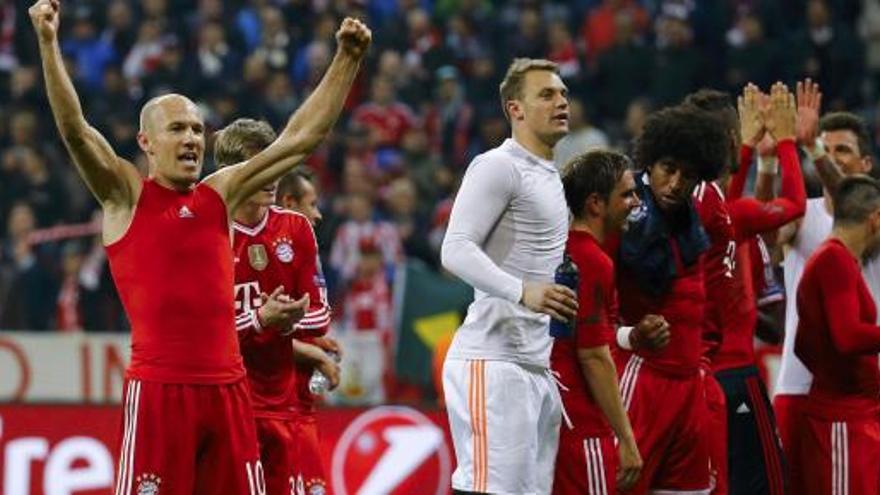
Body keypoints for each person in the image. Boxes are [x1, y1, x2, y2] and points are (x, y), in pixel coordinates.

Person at [29, 0, 370, 490]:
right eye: (177, 129)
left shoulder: (220, 193)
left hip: (230, 392)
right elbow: (75, 130)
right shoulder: (125, 195)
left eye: (196, 129)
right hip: (160, 392)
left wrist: (346, 61)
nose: (192, 138)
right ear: (146, 142)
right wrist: (47, 42)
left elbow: (299, 140)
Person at [440, 58, 578, 495]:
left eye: (563, 94)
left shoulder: (551, 177)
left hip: (535, 365)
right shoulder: (499, 165)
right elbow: (455, 248)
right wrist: (524, 292)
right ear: (514, 110)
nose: (561, 102)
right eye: (547, 94)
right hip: (492, 362)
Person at [687, 82, 806, 495]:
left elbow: (724, 214)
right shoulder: (726, 212)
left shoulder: (692, 203)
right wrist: (788, 142)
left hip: (697, 375)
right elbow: (795, 204)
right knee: (766, 485)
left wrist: (747, 151)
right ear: (727, 140)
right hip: (736, 372)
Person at [214, 119, 339, 495]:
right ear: (234, 174)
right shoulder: (211, 232)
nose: (271, 177)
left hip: (282, 403)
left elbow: (319, 314)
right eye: (259, 166)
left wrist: (283, 324)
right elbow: (205, 332)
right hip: (226, 402)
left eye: (274, 165)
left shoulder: (297, 229)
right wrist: (259, 318)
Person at [613, 104, 729, 495]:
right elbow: (592, 305)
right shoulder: (624, 216)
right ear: (649, 163)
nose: (676, 183)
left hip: (689, 381)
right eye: (668, 168)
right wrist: (628, 335)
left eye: (688, 175)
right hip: (642, 379)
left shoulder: (691, 219)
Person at [552, 149, 670, 494]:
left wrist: (630, 337)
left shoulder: (557, 249)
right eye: (627, 194)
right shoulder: (590, 260)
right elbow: (592, 355)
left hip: (550, 414)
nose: (636, 202)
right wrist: (627, 439)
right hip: (579, 420)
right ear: (595, 204)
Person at [772, 110, 877, 492]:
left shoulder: (871, 221)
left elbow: (851, 198)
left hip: (862, 394)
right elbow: (764, 233)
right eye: (827, 149)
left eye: (843, 150)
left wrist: (810, 147)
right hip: (807, 390)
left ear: (867, 163)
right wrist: (769, 158)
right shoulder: (802, 215)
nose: (832, 158)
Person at [794, 175, 880, 495]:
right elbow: (847, 337)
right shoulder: (834, 260)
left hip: (851, 413)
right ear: (875, 219)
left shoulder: (835, 259)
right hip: (842, 418)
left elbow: (804, 345)